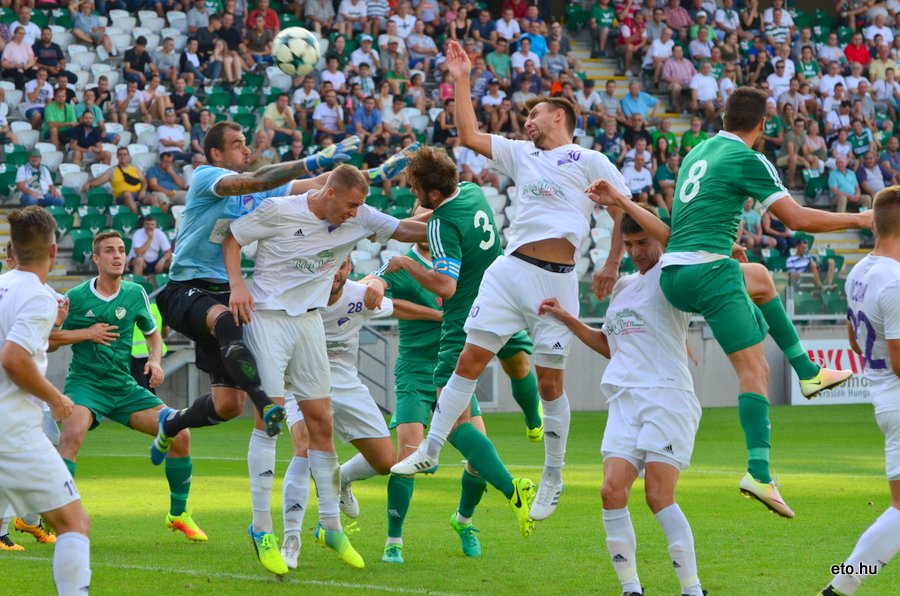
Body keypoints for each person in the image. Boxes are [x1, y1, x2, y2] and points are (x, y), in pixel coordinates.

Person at [589, 87, 870, 518]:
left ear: (722, 117)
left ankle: (809, 372)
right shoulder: (748, 158)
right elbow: (797, 220)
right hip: (706, 273)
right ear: (763, 124)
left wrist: (726, 246)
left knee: (758, 276)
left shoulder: (695, 154)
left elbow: (676, 234)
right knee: (754, 369)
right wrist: (859, 218)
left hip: (675, 274)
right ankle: (759, 472)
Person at [147, 123, 405, 572]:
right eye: (237, 144)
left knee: (227, 405)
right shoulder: (208, 178)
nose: (246, 149)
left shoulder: (267, 197)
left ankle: (173, 421)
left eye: (247, 143)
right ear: (214, 153)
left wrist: (378, 171)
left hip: (230, 293)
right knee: (231, 328)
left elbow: (322, 188)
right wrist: (316, 158)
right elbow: (261, 181)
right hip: (189, 288)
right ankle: (268, 418)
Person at [390, 39, 625, 525]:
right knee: (468, 359)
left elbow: (625, 210)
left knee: (549, 383)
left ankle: (554, 476)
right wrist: (460, 79)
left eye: (534, 114)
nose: (527, 122)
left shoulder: (590, 160)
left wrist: (611, 262)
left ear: (559, 115)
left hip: (556, 284)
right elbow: (470, 134)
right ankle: (431, 448)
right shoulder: (522, 155)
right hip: (508, 271)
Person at [220, 163, 426, 574]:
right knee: (271, 421)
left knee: (322, 424)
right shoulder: (280, 210)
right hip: (267, 317)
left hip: (308, 322)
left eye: (359, 207)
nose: (355, 214)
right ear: (329, 192)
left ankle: (331, 525)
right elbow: (231, 237)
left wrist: (457, 213)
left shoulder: (360, 214)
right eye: (350, 204)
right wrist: (237, 286)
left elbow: (407, 230)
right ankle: (262, 527)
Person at [539, 207, 705, 596]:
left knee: (658, 496)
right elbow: (613, 346)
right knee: (611, 490)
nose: (636, 251)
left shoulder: (674, 275)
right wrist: (568, 319)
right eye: (628, 244)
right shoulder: (623, 286)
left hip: (666, 395)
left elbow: (706, 263)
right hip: (623, 398)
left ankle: (692, 589)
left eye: (642, 242)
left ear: (660, 238)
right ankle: (631, 587)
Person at [279, 258, 442, 568]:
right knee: (303, 447)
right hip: (299, 381)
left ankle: (342, 481)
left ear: (349, 267)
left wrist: (439, 316)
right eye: (331, 266)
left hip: (346, 383)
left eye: (342, 266)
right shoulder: (298, 295)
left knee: (386, 462)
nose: (337, 273)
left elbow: (399, 308)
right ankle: (291, 538)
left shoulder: (360, 295)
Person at [49, 231, 206, 543]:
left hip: (123, 387)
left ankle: (178, 514)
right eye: (109, 251)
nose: (118, 255)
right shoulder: (75, 298)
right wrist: (86, 333)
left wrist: (156, 360)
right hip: (85, 385)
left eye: (121, 250)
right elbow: (50, 342)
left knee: (180, 434)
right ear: (96, 259)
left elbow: (152, 333)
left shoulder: (135, 293)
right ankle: (59, 514)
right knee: (72, 436)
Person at [0, 206, 91, 594]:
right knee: (74, 522)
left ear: (14, 250)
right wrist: (56, 398)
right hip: (12, 431)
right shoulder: (40, 296)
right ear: (54, 252)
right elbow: (14, 358)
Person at [820, 187, 900, 596]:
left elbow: (854, 341)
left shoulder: (859, 271)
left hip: (883, 395)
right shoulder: (895, 281)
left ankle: (841, 586)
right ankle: (841, 586)